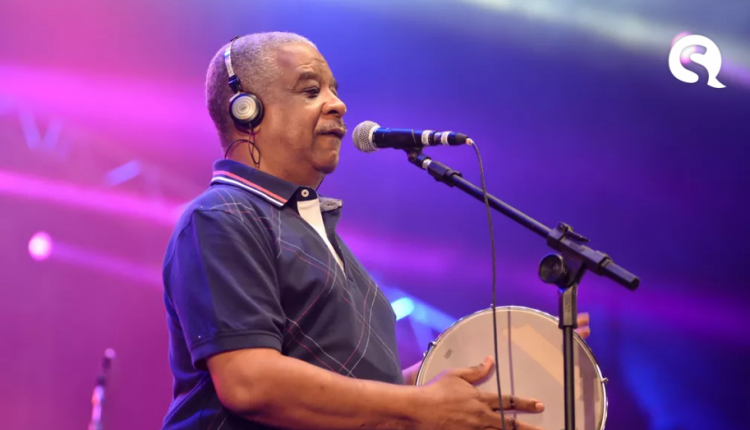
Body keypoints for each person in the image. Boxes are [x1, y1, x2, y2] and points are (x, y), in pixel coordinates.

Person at [160, 32, 591, 430]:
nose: (338, 105)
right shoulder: (222, 215)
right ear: (247, 111)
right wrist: (420, 406)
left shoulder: (311, 229)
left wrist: (491, 367)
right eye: (311, 91)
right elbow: (250, 382)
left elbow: (353, 390)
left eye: (334, 90)